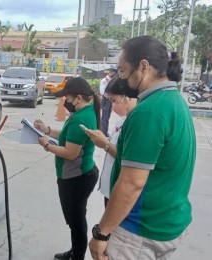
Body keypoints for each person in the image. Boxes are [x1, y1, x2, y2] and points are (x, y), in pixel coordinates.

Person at [89, 35, 196, 260]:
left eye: (123, 71)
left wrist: (101, 233)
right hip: (168, 222)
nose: (121, 78)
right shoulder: (175, 101)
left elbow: (132, 183)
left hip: (140, 231)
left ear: (144, 67)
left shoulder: (149, 111)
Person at [34, 77, 101, 260]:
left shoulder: (82, 117)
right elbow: (67, 136)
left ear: (78, 98)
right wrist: (47, 130)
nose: (65, 102)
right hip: (80, 174)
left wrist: (46, 145)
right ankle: (75, 251)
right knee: (76, 219)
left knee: (77, 222)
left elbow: (70, 153)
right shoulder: (83, 113)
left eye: (67, 98)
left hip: (76, 177)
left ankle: (77, 256)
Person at [84, 75, 137, 207]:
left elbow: (128, 156)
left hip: (120, 193)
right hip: (109, 189)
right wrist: (104, 139)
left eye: (114, 101)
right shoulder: (122, 120)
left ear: (127, 98)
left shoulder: (136, 124)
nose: (112, 107)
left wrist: (106, 145)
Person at [99, 67, 117, 137]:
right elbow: (102, 92)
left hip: (110, 101)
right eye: (113, 72)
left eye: (115, 72)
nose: (114, 73)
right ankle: (103, 132)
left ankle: (105, 132)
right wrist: (110, 97)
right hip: (106, 100)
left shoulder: (112, 80)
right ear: (110, 72)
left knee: (108, 117)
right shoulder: (104, 80)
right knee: (104, 117)